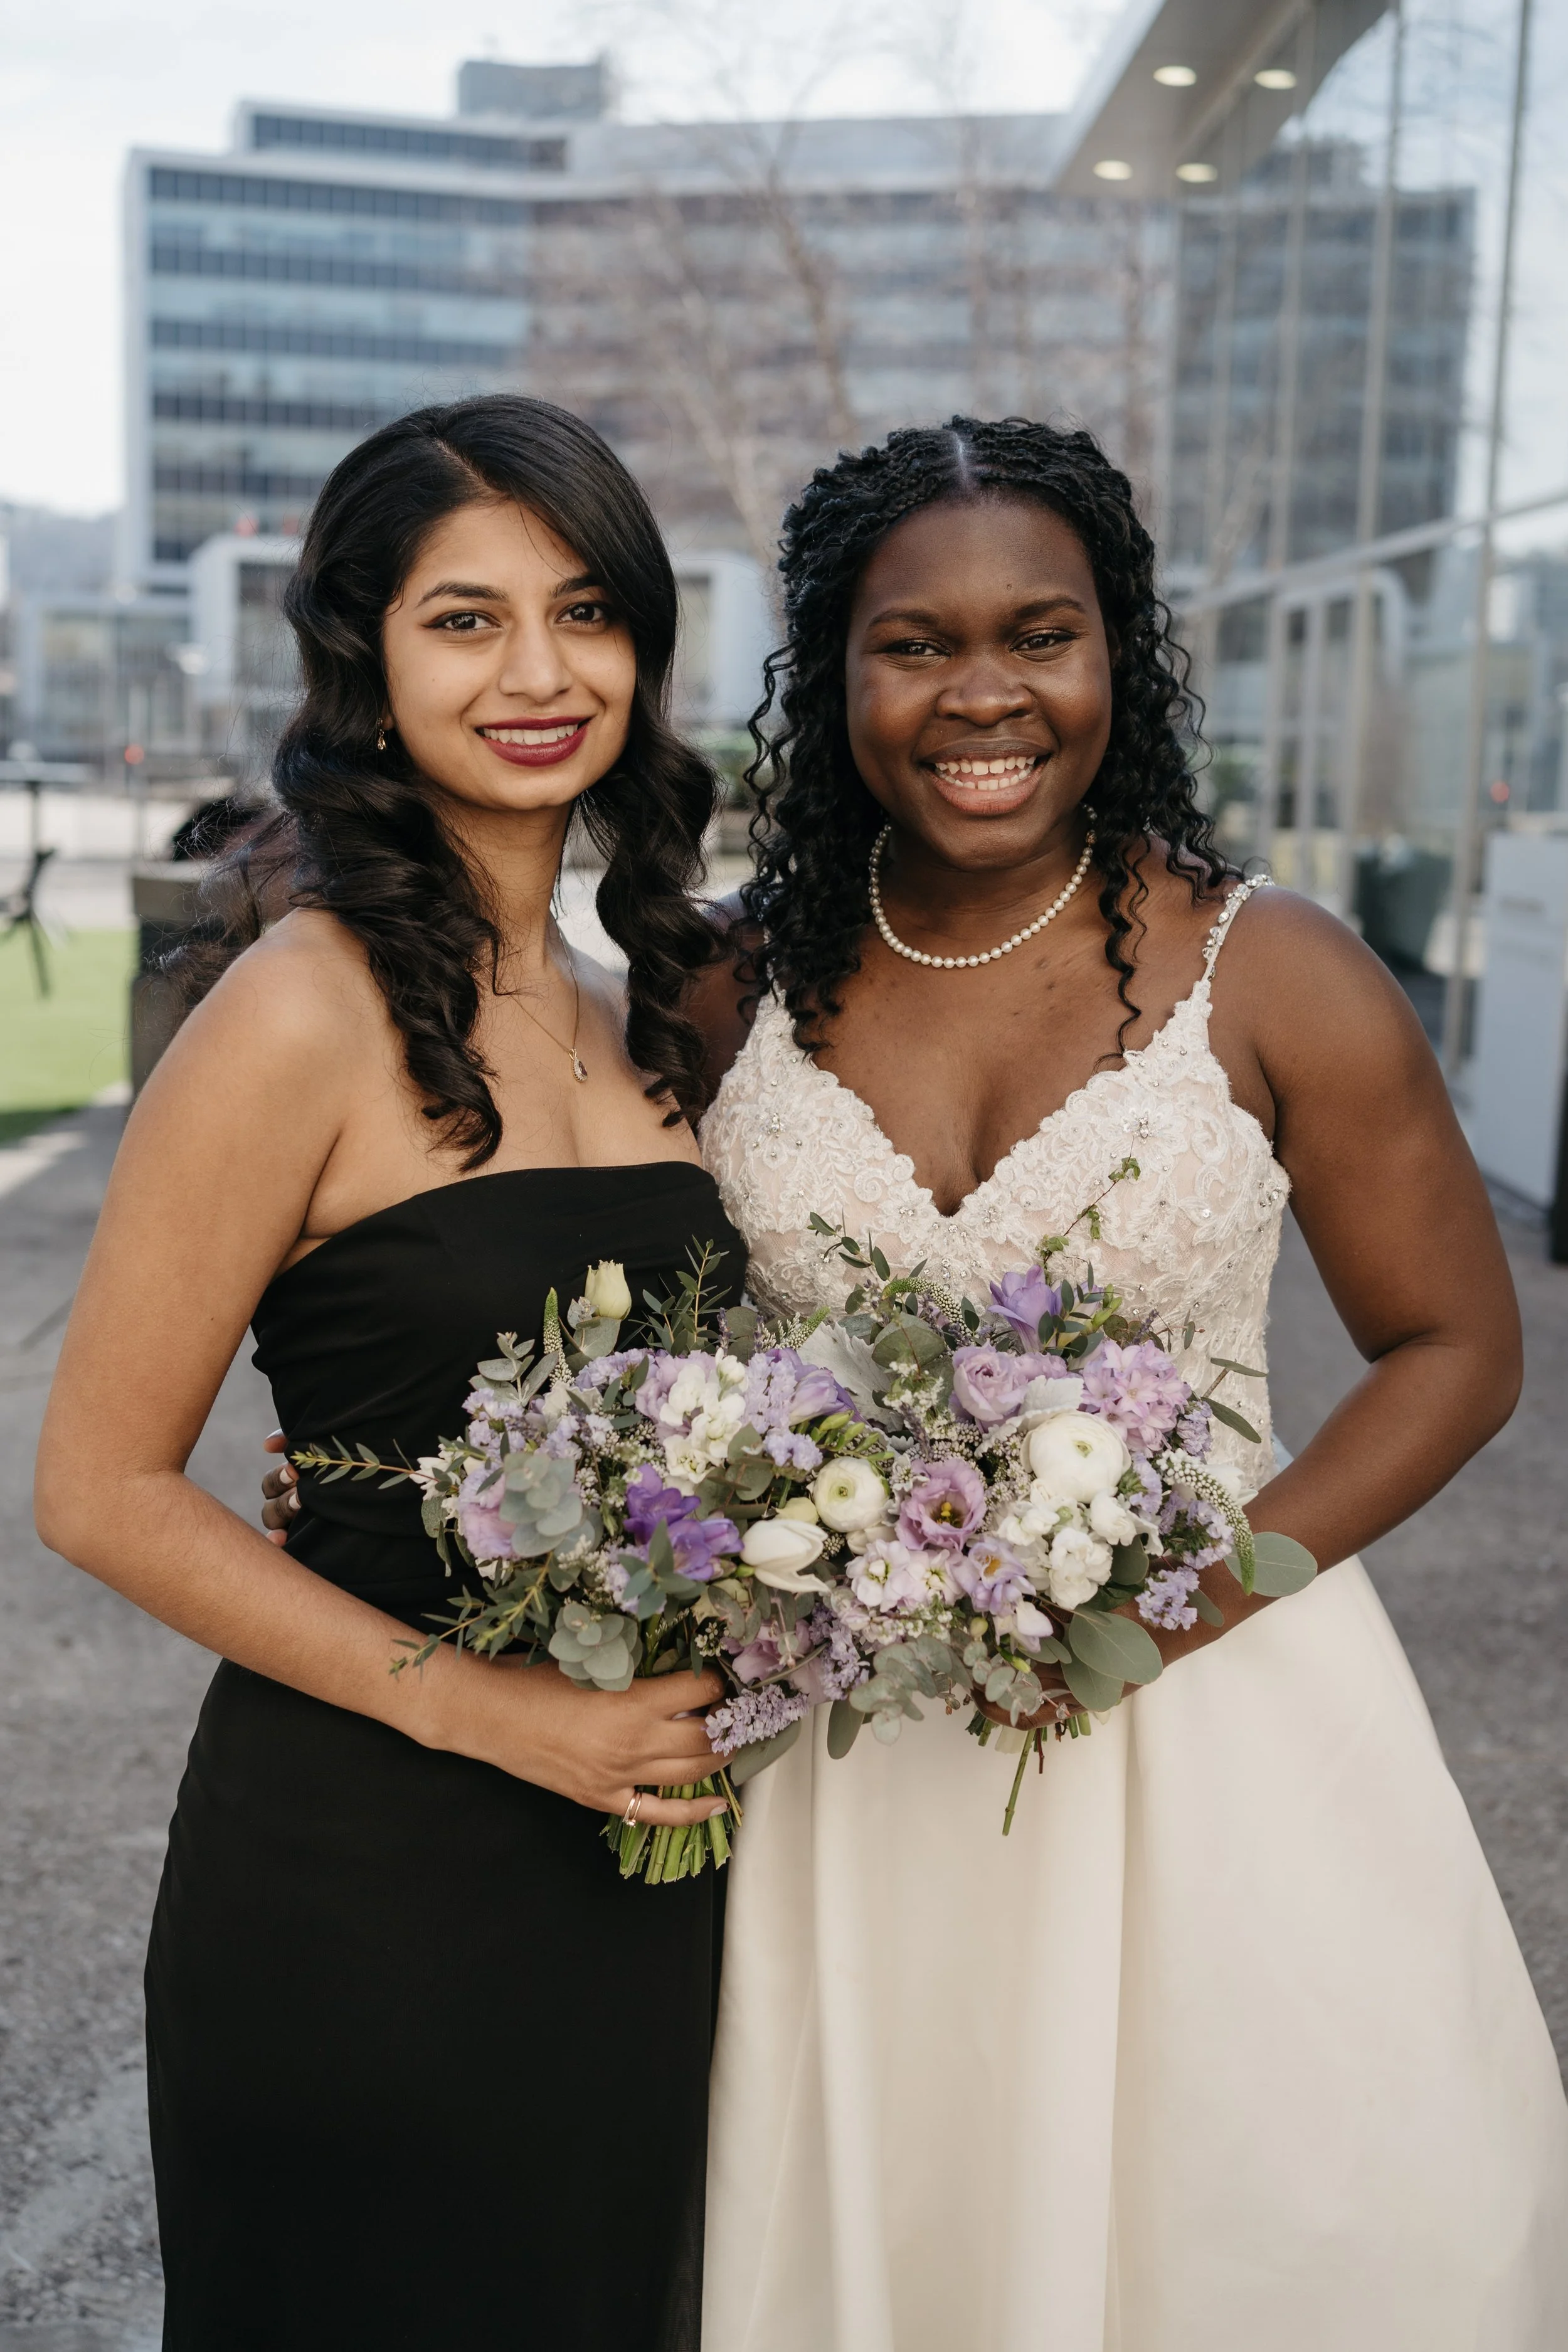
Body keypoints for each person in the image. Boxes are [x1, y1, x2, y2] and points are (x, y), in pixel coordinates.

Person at [690, 418, 1568, 2348]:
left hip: (1209, 1718)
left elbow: (1456, 1347)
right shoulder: (727, 986)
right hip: (849, 1752)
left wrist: (1186, 1604)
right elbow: (599, 1306)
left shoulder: (1278, 976)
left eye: (1041, 632)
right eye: (912, 643)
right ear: (832, 671)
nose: (982, 692)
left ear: (1120, 654)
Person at [34, 396, 744, 2352]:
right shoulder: (294, 1008)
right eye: (464, 618)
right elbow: (96, 1486)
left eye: (585, 612)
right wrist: (494, 1713)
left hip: (646, 1872)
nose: (538, 672)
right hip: (368, 1879)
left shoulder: (646, 1019)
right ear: (362, 658)